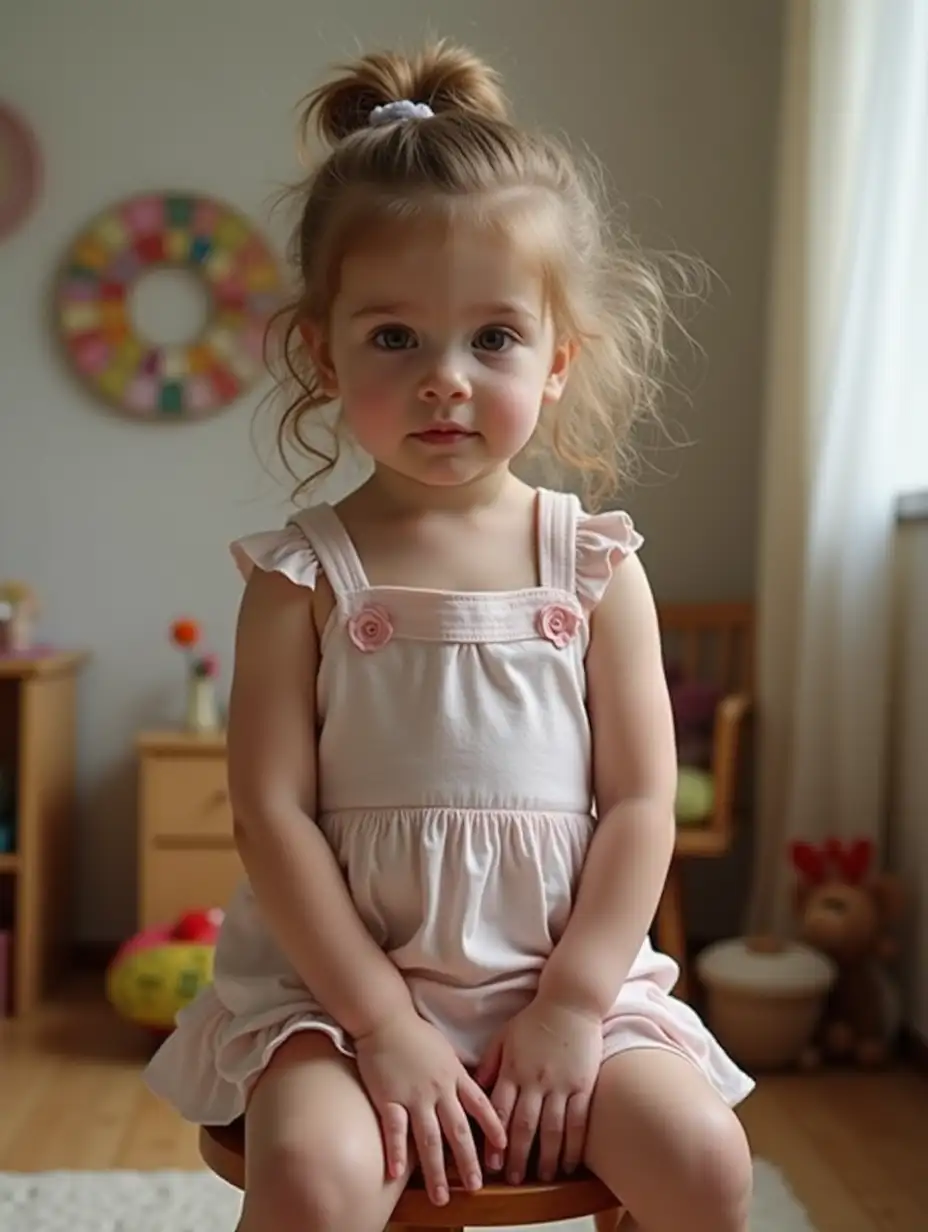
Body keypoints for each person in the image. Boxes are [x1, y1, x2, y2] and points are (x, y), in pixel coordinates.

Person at [145, 40, 755, 1232]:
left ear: (557, 360)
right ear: (321, 353)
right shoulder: (301, 576)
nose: (445, 380)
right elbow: (270, 815)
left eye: (492, 338)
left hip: (560, 981)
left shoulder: (592, 564)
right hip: (341, 992)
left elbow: (639, 801)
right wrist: (379, 1021)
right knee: (319, 1180)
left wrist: (573, 1003)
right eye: (393, 339)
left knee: (704, 1159)